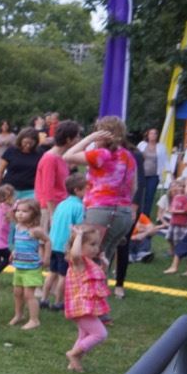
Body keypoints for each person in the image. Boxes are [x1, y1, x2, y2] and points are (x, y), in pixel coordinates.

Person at [63, 116, 137, 271]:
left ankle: (85, 287)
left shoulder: (102, 154)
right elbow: (133, 187)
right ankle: (100, 286)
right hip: (123, 214)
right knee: (104, 259)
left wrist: (89, 138)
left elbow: (67, 156)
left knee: (87, 258)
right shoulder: (128, 156)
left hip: (101, 211)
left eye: (97, 132)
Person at [64, 226, 110, 373]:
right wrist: (78, 235)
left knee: (84, 335)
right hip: (80, 306)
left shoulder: (89, 263)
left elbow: (97, 279)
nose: (96, 248)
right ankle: (73, 354)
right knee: (100, 334)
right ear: (78, 245)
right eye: (92, 244)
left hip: (87, 307)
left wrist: (104, 266)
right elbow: (75, 254)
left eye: (97, 244)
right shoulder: (78, 262)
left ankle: (73, 364)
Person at [45, 173, 87, 311]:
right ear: (77, 190)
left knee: (52, 272)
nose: (87, 191)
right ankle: (58, 302)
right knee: (63, 275)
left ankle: (44, 299)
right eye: (85, 189)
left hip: (53, 243)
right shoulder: (79, 207)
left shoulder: (62, 204)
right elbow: (79, 227)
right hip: (65, 246)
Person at [7, 199, 50, 330]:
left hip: (32, 267)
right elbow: (20, 243)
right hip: (20, 266)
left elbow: (47, 241)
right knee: (17, 292)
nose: (20, 213)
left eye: (24, 211)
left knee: (28, 294)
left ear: (34, 213)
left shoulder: (36, 230)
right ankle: (18, 315)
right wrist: (14, 251)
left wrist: (46, 258)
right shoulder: (18, 227)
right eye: (18, 210)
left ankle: (34, 320)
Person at [0, 127, 43, 200]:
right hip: (10, 190)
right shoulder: (11, 151)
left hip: (30, 191)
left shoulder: (40, 153)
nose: (28, 145)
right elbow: (0, 172)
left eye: (31, 143)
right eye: (25, 143)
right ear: (20, 140)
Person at [161, 179, 187, 275]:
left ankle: (183, 262)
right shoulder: (176, 197)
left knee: (182, 242)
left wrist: (175, 211)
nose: (180, 188)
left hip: (182, 224)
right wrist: (171, 210)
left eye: (183, 186)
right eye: (180, 186)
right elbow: (172, 207)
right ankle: (174, 253)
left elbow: (186, 210)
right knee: (170, 238)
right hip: (174, 222)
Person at [135, 127, 169, 217]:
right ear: (148, 135)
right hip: (141, 174)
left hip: (154, 175)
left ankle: (145, 216)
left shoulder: (161, 147)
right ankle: (137, 214)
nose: (153, 135)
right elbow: (136, 156)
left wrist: (169, 172)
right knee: (139, 194)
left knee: (149, 195)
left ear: (157, 136)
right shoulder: (142, 144)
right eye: (151, 133)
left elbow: (165, 160)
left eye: (155, 133)